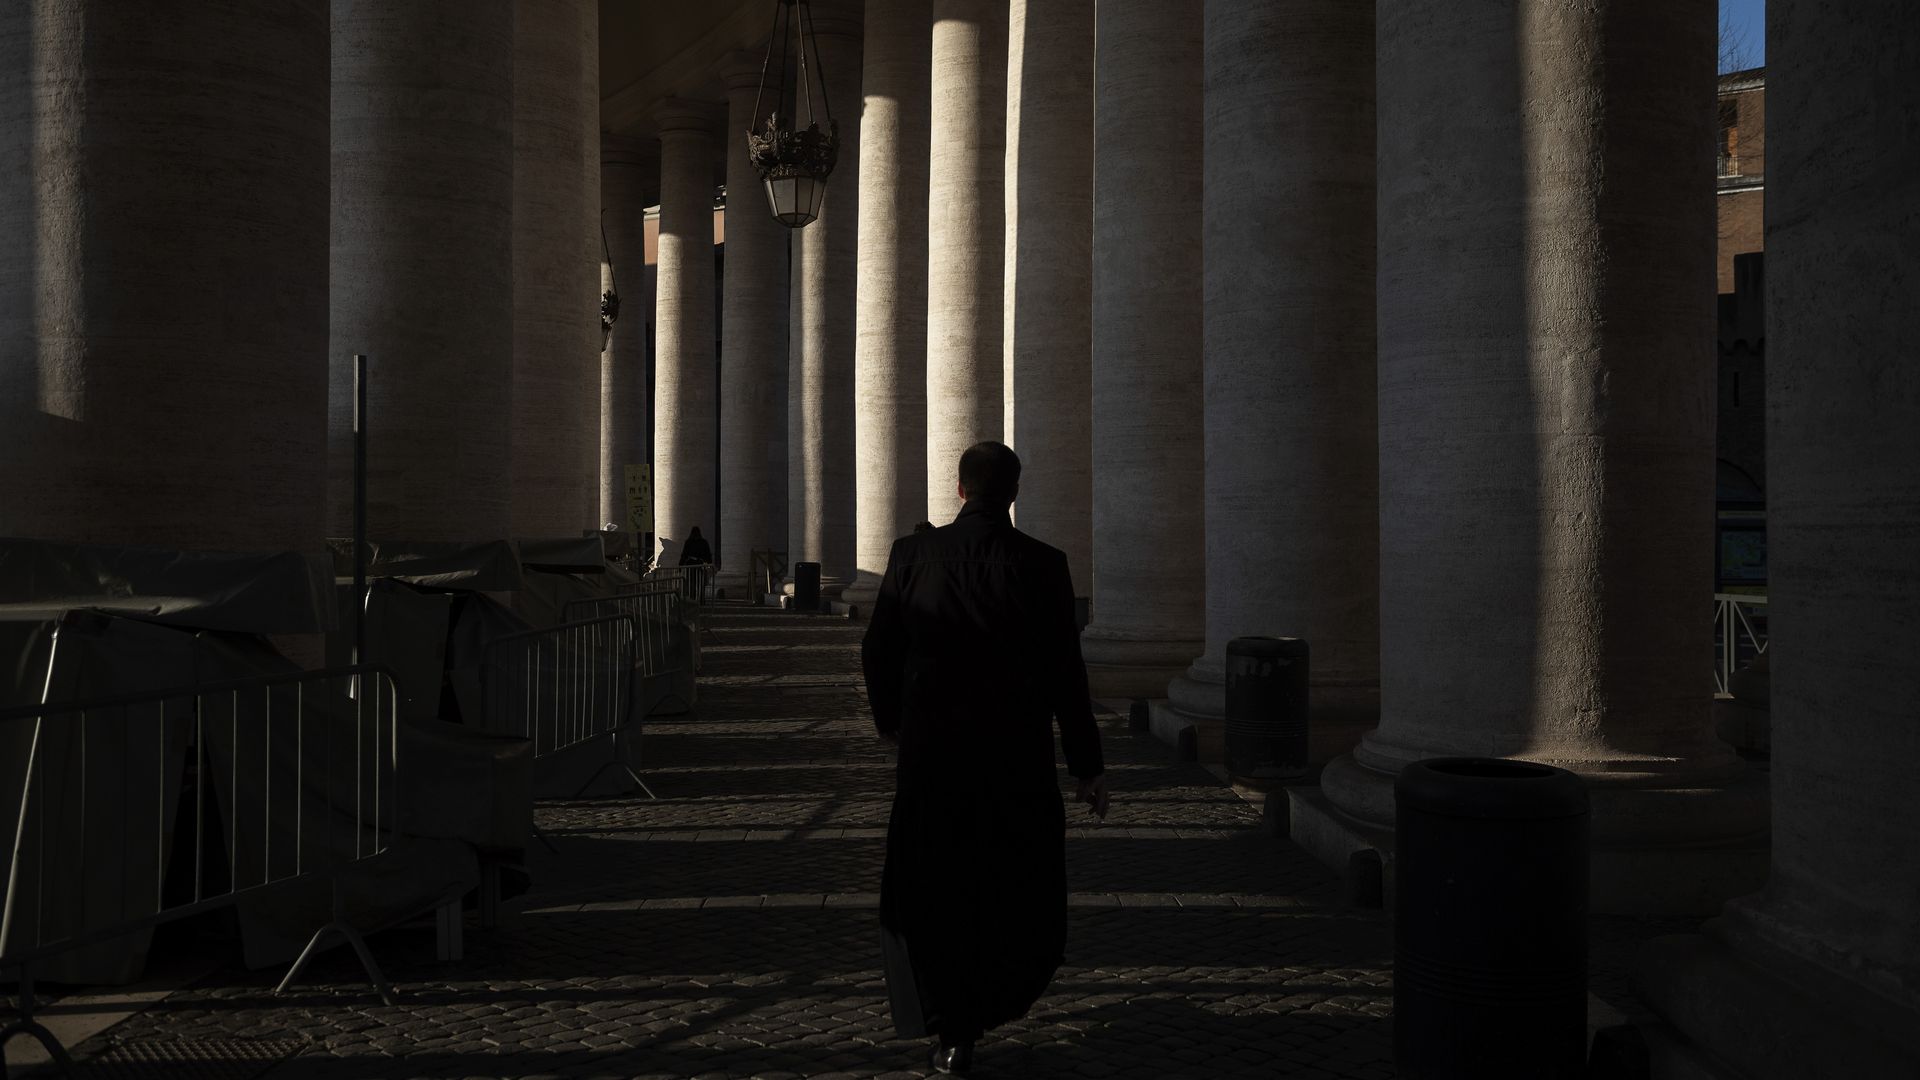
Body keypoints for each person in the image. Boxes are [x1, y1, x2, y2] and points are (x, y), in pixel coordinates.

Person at [861, 440, 1109, 1076]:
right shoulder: (1044, 564)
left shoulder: (912, 555)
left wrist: (892, 721)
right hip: (1014, 763)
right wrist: (1087, 765)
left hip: (933, 760)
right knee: (1008, 891)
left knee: (931, 890)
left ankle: (949, 1027)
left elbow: (878, 649)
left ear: (960, 490)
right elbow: (1065, 674)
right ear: (1015, 495)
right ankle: (981, 1009)